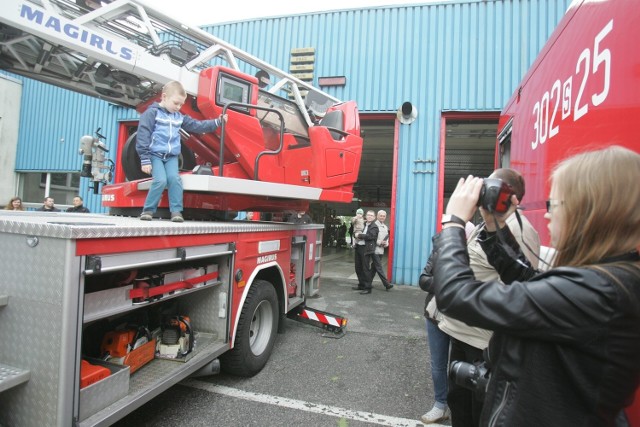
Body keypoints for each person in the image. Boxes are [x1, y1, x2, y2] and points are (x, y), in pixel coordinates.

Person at [427, 146, 640, 426]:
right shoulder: (608, 279)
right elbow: (526, 279)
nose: (548, 215)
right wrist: (495, 226)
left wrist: (453, 222)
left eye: (554, 205)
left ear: (588, 212)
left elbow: (456, 296)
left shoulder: (598, 291)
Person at [423, 169, 540, 426]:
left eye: (489, 186)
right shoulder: (486, 225)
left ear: (509, 195)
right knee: (459, 402)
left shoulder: (519, 230)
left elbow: (521, 288)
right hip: (461, 330)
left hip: (483, 339)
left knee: (479, 408)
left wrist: (452, 222)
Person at [136, 80, 227, 223]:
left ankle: (176, 211)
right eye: (176, 103)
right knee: (160, 180)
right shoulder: (152, 114)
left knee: (175, 180)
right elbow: (143, 136)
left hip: (171, 157)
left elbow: (197, 126)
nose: (178, 107)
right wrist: (145, 158)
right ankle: (148, 210)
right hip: (155, 155)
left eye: (181, 104)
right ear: (164, 97)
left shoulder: (179, 117)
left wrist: (217, 122)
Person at [352, 210, 378, 294]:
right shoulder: (362, 223)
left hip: (366, 249)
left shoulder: (374, 226)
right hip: (358, 246)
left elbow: (371, 236)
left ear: (374, 217)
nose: (369, 216)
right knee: (358, 267)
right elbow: (354, 231)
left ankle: (368, 288)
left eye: (371, 215)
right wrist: (355, 235)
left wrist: (359, 235)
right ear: (365, 216)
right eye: (368, 215)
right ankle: (361, 284)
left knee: (365, 268)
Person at [370, 210, 393, 290]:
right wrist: (379, 242)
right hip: (374, 249)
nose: (382, 217)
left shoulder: (385, 227)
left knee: (374, 268)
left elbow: (387, 239)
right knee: (379, 267)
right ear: (377, 216)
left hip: (381, 250)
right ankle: (386, 284)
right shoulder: (374, 225)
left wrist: (386, 243)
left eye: (384, 216)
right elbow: (372, 238)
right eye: (381, 215)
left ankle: (367, 283)